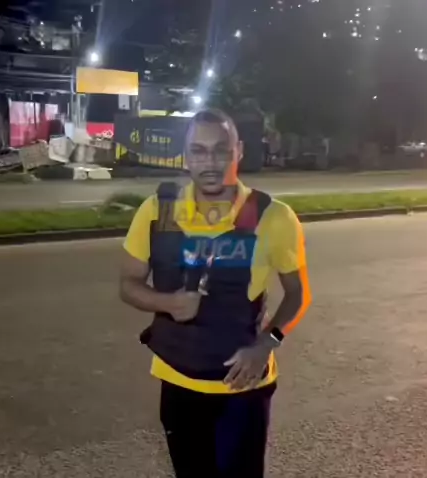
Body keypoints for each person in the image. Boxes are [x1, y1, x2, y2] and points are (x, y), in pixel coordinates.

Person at [119, 108, 312, 478]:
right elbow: (128, 284)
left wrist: (266, 342)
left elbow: (297, 294)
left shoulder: (273, 216)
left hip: (243, 389)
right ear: (186, 156)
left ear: (238, 151)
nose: (210, 162)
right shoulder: (157, 211)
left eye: (221, 150)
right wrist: (168, 303)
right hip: (178, 381)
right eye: (199, 150)